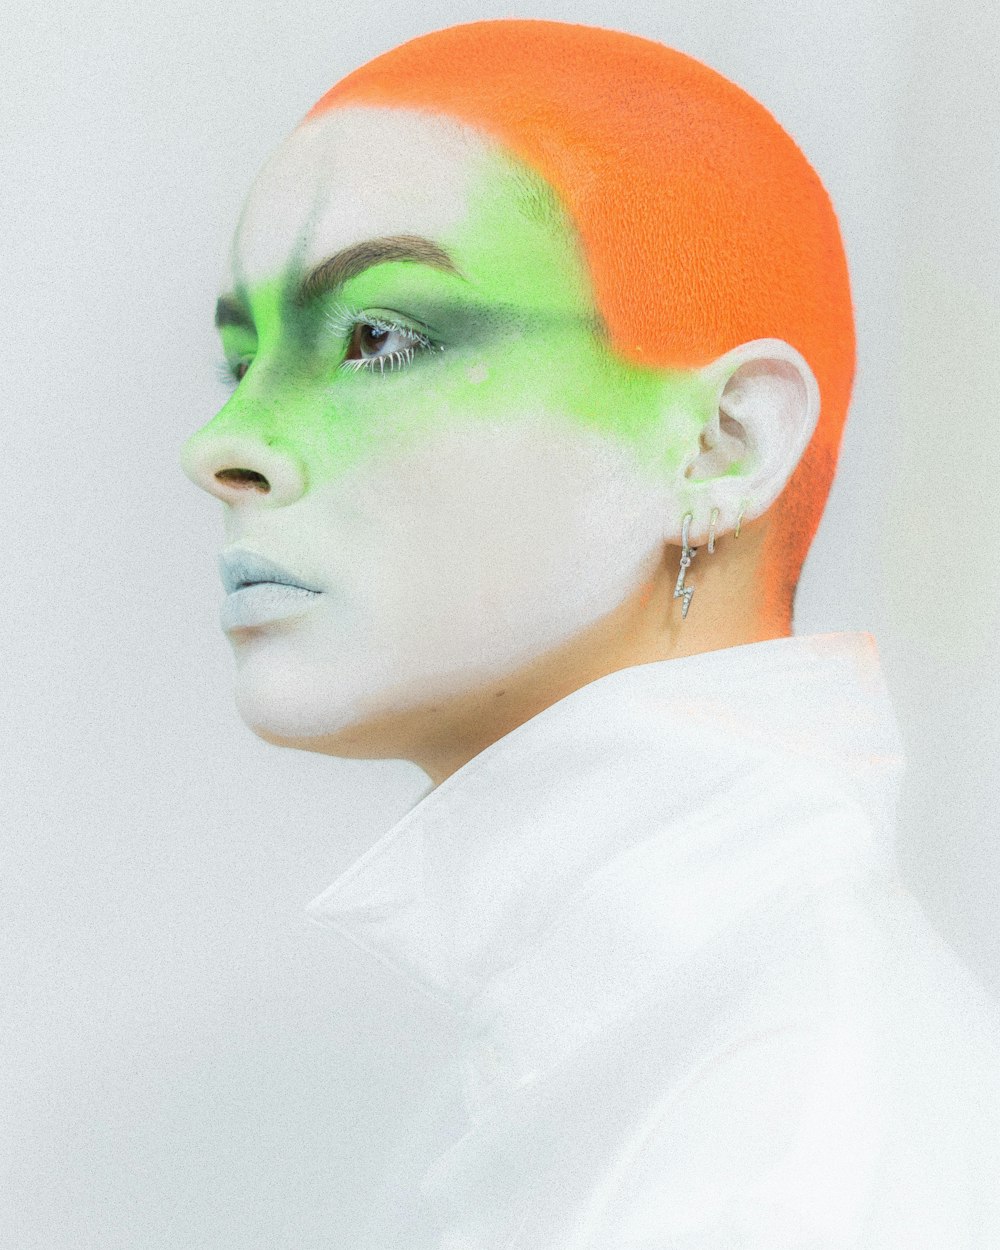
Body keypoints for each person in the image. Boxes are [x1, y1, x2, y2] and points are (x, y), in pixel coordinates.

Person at [180, 19, 1000, 1248]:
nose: (220, 448)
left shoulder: (798, 1138)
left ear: (723, 443)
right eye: (239, 362)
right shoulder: (610, 1047)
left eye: (376, 337)